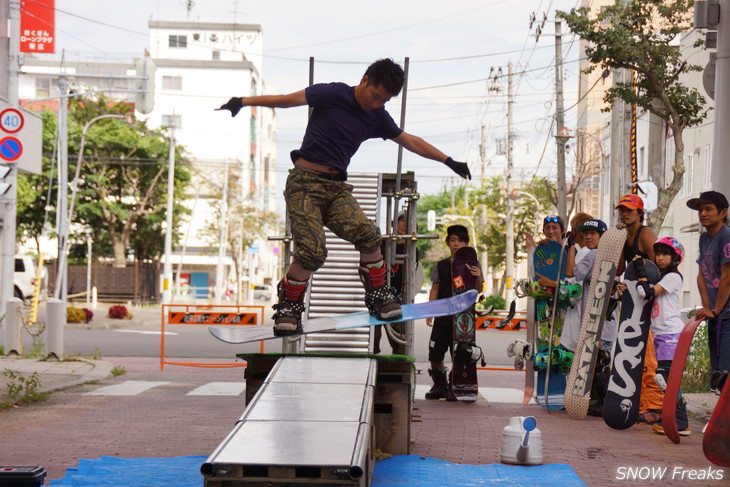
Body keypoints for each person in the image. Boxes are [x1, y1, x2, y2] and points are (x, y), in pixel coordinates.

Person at [217, 59, 471, 335]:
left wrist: (448, 160)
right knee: (313, 252)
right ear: (364, 80)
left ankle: (378, 296)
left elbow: (410, 140)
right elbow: (286, 100)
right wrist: (242, 101)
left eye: (383, 101)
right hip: (304, 184)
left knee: (369, 235)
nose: (376, 104)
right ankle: (288, 307)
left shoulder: (378, 116)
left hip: (336, 188)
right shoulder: (332, 93)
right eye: (375, 96)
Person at [633, 237, 691, 436]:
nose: (659, 257)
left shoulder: (673, 277)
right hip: (661, 335)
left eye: (665, 254)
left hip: (671, 334)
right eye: (657, 253)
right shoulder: (662, 276)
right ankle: (679, 420)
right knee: (666, 378)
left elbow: (647, 293)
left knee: (665, 379)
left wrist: (640, 274)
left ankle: (681, 421)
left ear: (675, 258)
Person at [614, 193, 663, 424]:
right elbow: (619, 270)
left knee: (649, 360)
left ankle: (654, 407)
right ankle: (641, 405)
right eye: (621, 210)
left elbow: (661, 267)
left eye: (629, 210)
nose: (624, 213)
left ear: (640, 213)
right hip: (633, 305)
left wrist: (649, 290)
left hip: (649, 307)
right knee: (635, 357)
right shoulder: (625, 236)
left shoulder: (646, 234)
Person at [424, 225, 483, 400]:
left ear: (466, 243)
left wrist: (478, 275)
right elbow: (435, 289)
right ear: (448, 243)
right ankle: (440, 385)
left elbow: (478, 289)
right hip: (442, 315)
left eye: (460, 240)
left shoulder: (474, 264)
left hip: (464, 319)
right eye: (452, 240)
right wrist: (430, 310)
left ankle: (454, 385)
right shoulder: (441, 265)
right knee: (435, 353)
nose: (456, 243)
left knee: (459, 354)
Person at [566, 218, 615, 416]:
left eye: (593, 233)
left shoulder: (593, 254)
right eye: (585, 233)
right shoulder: (611, 256)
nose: (587, 236)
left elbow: (571, 273)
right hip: (608, 319)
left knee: (595, 364)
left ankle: (607, 402)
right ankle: (602, 402)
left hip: (595, 321)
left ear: (602, 237)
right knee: (600, 362)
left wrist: (571, 249)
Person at [687, 190, 730, 394]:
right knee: (716, 372)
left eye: (708, 209)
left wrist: (717, 309)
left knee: (724, 372)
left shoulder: (726, 236)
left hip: (727, 314)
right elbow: (701, 275)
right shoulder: (704, 238)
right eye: (700, 209)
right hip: (716, 314)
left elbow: (727, 277)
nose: (703, 213)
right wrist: (707, 307)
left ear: (722, 213)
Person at [374, 213, 423, 354]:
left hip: (399, 298)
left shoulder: (412, 250)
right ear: (393, 224)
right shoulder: (382, 244)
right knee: (372, 338)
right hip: (378, 295)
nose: (403, 225)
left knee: (399, 341)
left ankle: (398, 367)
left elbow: (412, 274)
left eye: (407, 222)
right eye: (401, 221)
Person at [560, 212, 593, 352]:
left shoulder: (585, 253)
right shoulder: (588, 252)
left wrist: (553, 286)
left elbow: (573, 291)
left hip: (580, 317)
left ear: (574, 231)